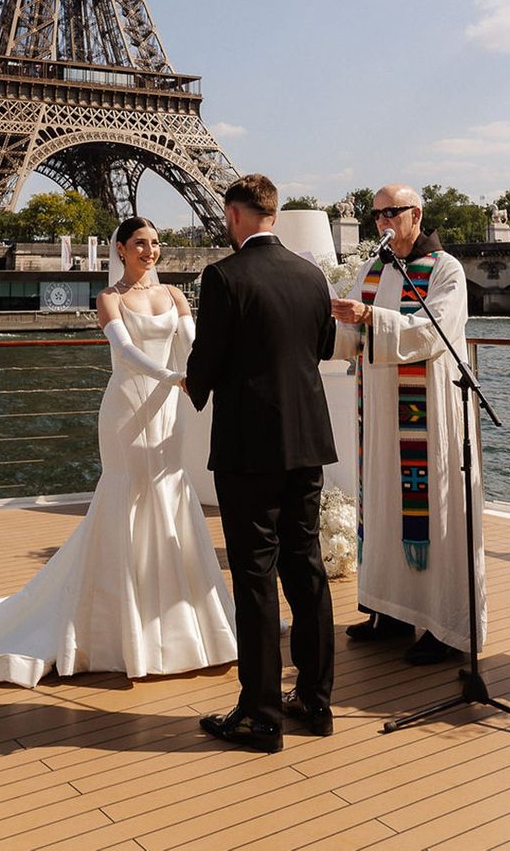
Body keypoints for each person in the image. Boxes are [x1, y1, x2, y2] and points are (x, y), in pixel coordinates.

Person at [0, 216, 238, 686]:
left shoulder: (176, 295)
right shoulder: (108, 299)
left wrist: (199, 374)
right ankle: (122, 625)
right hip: (129, 409)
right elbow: (125, 354)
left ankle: (172, 619)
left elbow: (195, 345)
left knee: (167, 494)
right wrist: (176, 378)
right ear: (120, 248)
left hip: (168, 411)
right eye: (141, 243)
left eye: (156, 243)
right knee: (127, 499)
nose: (151, 251)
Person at [186, 174, 338, 754]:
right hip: (307, 444)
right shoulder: (312, 275)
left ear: (234, 214)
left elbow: (209, 356)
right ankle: (317, 702)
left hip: (250, 447)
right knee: (306, 567)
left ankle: (260, 715)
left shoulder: (224, 276)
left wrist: (191, 385)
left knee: (254, 575)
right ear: (272, 214)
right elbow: (321, 346)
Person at [330, 183, 486, 665]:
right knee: (381, 505)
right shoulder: (372, 270)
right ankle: (390, 611)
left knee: (435, 513)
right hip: (378, 413)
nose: (382, 222)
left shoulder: (445, 270)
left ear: (416, 214)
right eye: (375, 214)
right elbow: (348, 333)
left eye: (391, 212)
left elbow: (433, 331)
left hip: (428, 416)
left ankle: (446, 627)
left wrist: (369, 316)